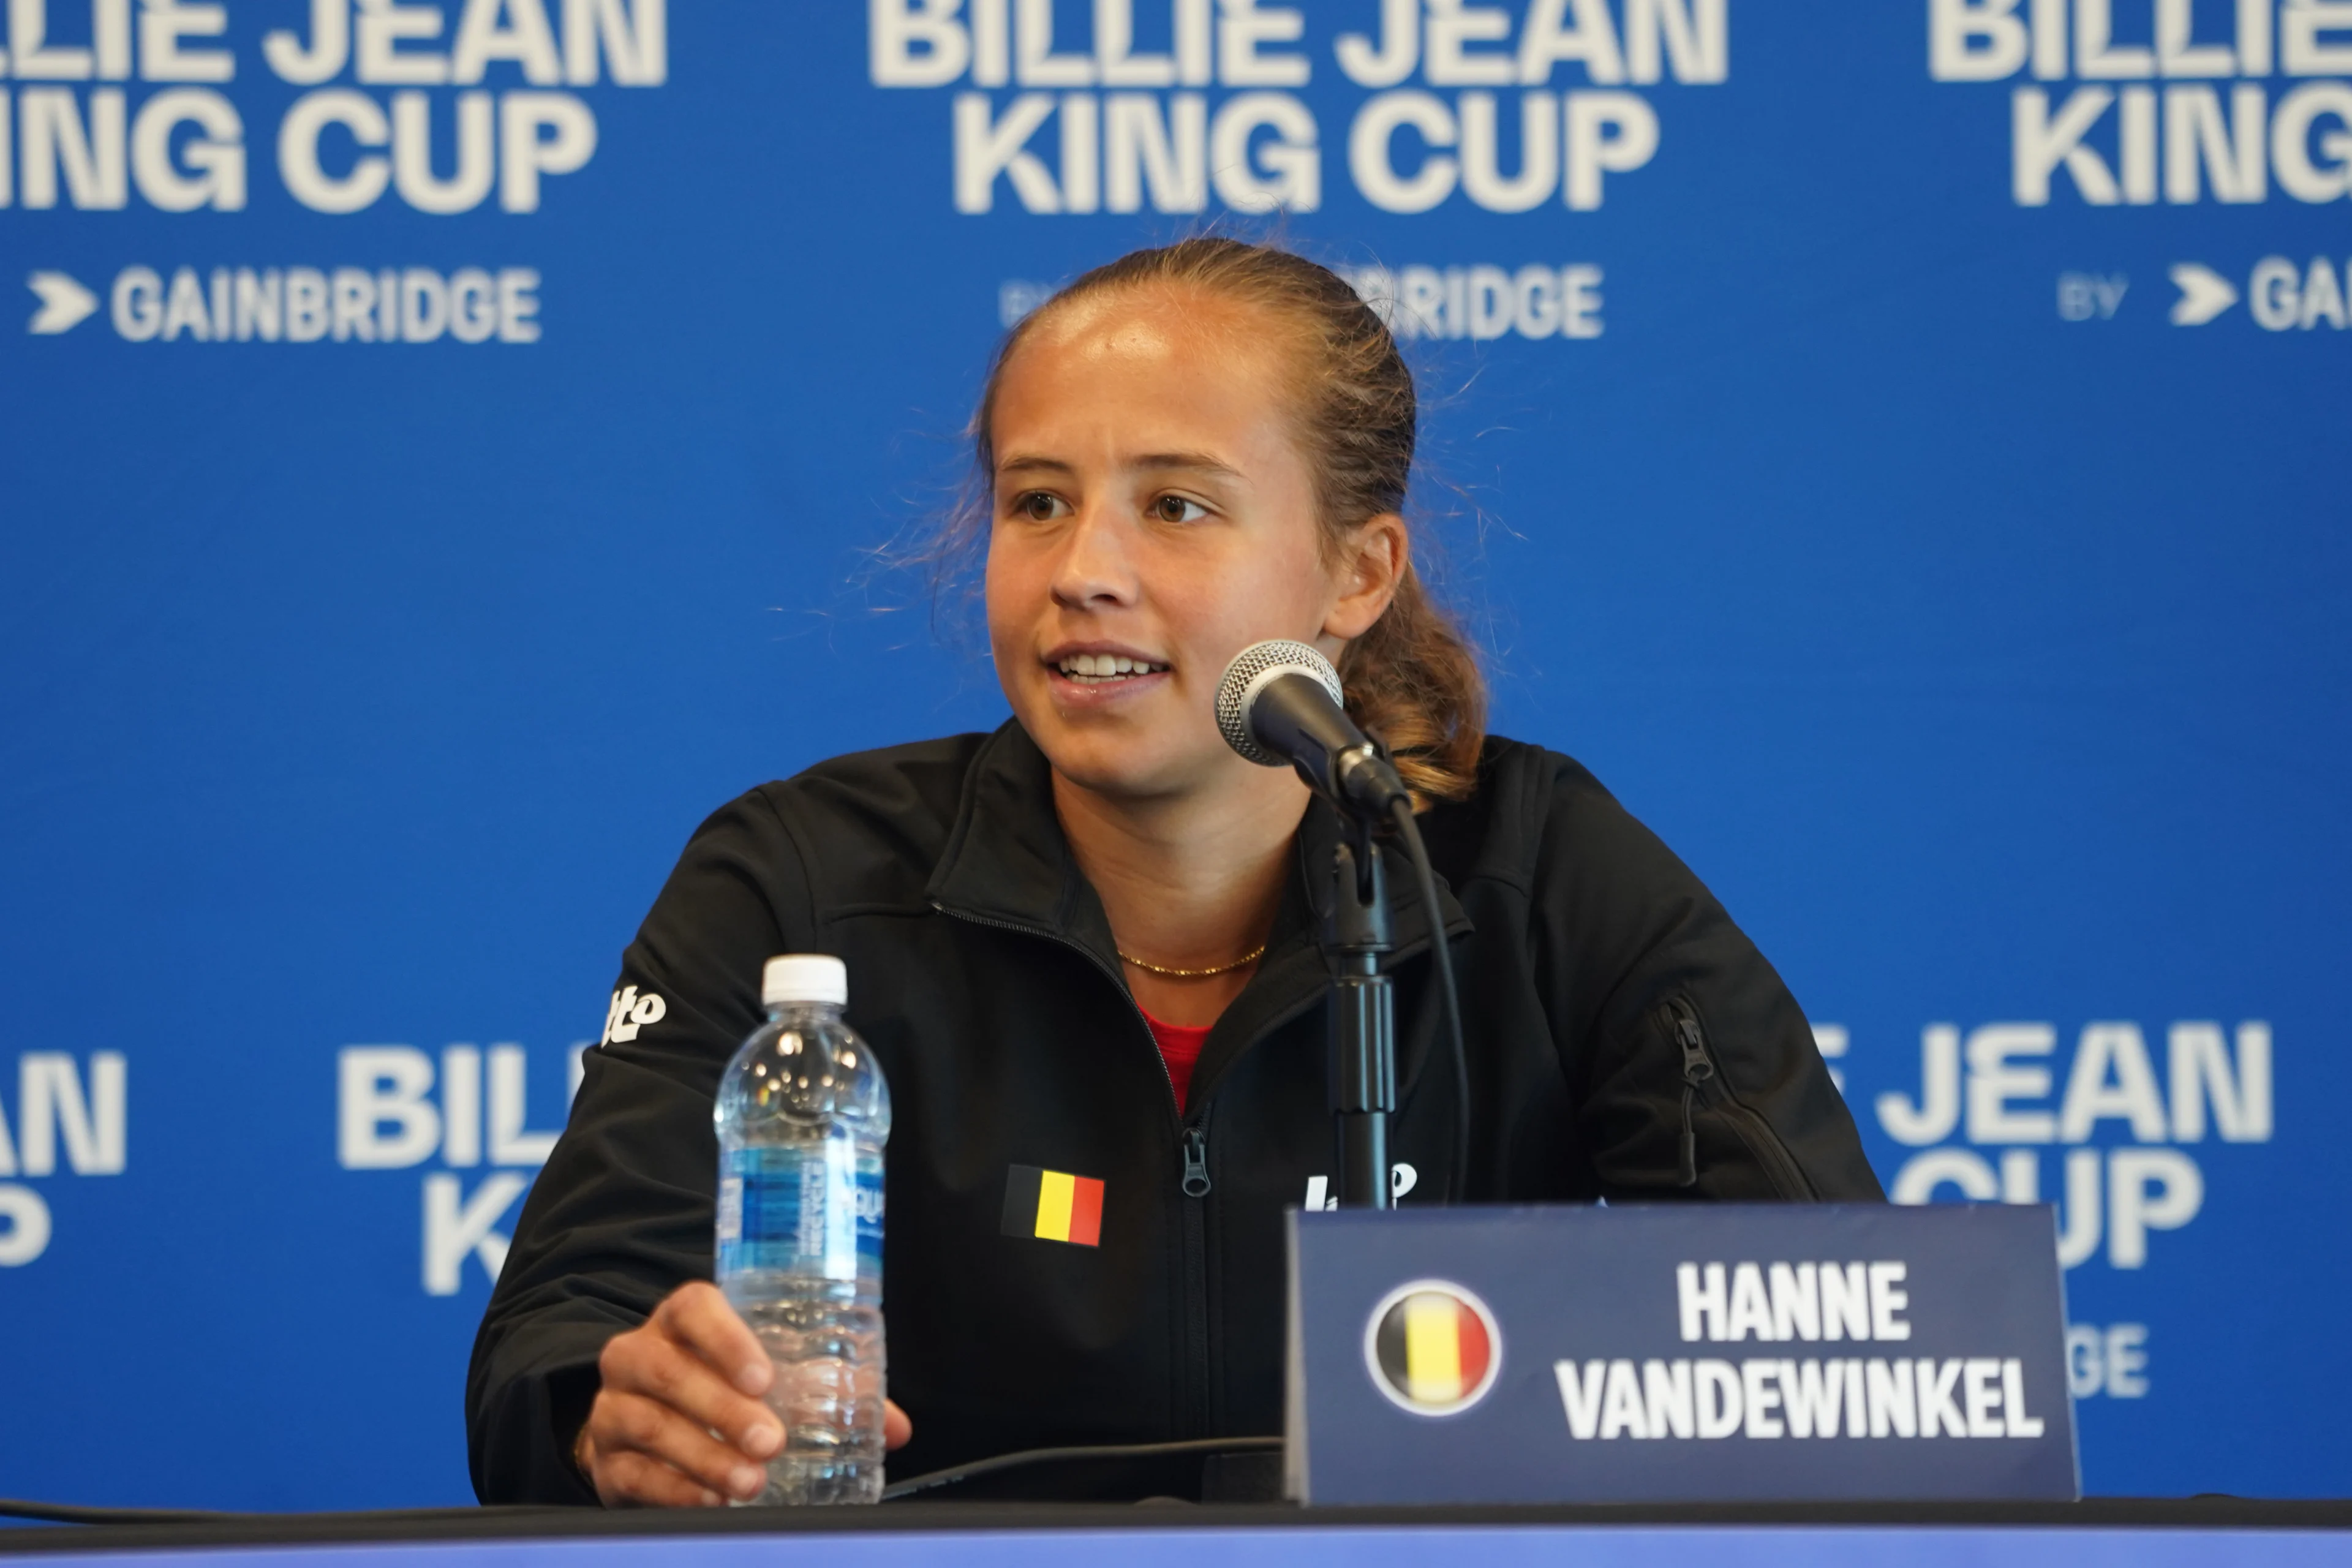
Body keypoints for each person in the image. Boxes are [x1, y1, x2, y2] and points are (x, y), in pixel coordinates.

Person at [466, 237, 1882, 1508]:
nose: (1084, 567)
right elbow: (560, 1335)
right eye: (1037, 502)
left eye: (1179, 507)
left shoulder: (1540, 870)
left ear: (1358, 572)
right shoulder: (801, 875)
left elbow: (1839, 1335)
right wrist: (619, 1412)